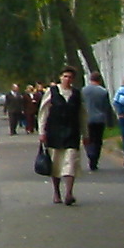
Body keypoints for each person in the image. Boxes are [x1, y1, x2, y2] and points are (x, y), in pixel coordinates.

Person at [39, 66, 86, 205]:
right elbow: (43, 112)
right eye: (65, 76)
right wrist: (42, 132)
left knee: (71, 161)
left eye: (70, 77)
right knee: (56, 163)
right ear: (60, 77)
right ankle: (56, 192)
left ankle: (69, 193)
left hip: (72, 131)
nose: (67, 79)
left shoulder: (76, 94)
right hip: (54, 131)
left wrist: (86, 133)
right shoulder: (52, 92)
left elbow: (82, 114)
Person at [80, 71, 111, 171]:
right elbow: (106, 106)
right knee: (98, 140)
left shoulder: (83, 90)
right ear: (100, 80)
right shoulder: (103, 91)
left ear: (90, 79)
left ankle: (90, 153)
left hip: (86, 118)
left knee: (87, 138)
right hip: (99, 119)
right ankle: (95, 160)